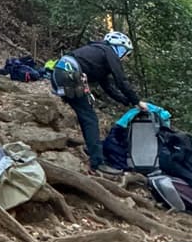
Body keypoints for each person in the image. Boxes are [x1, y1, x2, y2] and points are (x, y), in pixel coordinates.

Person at [51, 31, 147, 177]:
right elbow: (121, 81)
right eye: (126, 53)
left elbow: (108, 87)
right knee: (90, 118)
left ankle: (93, 149)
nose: (126, 57)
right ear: (119, 48)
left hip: (59, 73)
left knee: (86, 115)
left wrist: (126, 101)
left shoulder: (98, 53)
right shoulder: (109, 51)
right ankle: (97, 163)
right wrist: (137, 101)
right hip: (70, 74)